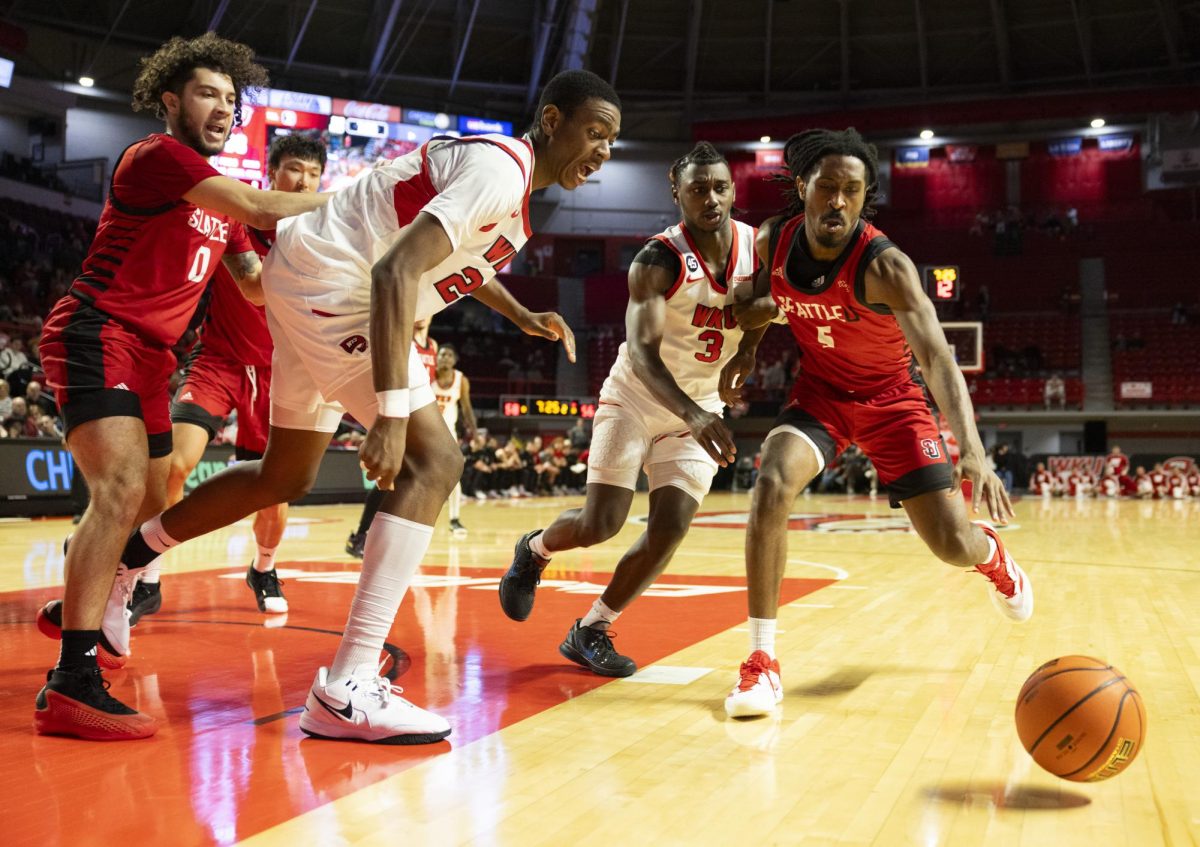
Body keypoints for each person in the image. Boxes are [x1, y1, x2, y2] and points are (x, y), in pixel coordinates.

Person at [93, 69, 621, 744]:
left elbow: (455, 258)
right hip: (339, 287)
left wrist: (520, 313)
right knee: (437, 460)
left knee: (282, 476)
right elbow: (394, 271)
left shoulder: (508, 185)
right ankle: (346, 687)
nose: (603, 150)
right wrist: (394, 417)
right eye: (594, 131)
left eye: (612, 139)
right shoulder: (502, 170)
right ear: (551, 121)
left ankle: (133, 558)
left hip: (308, 278)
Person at [31, 32, 331, 741]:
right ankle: (71, 680)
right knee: (120, 486)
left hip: (155, 357)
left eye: (232, 99)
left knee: (152, 494)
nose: (224, 108)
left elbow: (255, 289)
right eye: (208, 94)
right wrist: (353, 199)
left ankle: (87, 598)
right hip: (99, 330)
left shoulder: (221, 206)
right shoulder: (158, 158)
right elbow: (261, 207)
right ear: (171, 101)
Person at [719, 128, 1033, 718]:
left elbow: (939, 359)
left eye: (852, 191)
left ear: (865, 200)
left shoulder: (886, 266)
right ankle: (762, 663)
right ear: (804, 189)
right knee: (769, 486)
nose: (838, 201)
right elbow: (754, 301)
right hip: (822, 395)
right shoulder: (771, 240)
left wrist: (974, 450)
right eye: (827, 187)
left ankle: (989, 554)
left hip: (894, 402)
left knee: (950, 546)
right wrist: (747, 348)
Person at [498, 141, 762, 677]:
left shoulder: (758, 248)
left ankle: (590, 629)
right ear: (677, 194)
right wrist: (694, 413)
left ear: (733, 189)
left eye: (719, 187)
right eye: (697, 189)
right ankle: (535, 549)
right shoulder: (657, 259)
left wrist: (749, 353)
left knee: (670, 529)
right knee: (602, 524)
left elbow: (762, 307)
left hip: (701, 404)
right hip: (638, 399)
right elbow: (642, 356)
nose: (710, 198)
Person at [128, 135, 326, 621]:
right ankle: (148, 577)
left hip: (280, 372)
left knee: (273, 491)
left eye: (314, 174)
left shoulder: (326, 235)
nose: (303, 182)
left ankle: (263, 568)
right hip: (217, 360)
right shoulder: (233, 217)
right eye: (294, 169)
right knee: (174, 464)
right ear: (272, 172)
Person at [346, 319, 439, 557]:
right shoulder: (404, 339)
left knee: (408, 480)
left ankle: (385, 538)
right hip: (396, 414)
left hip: (418, 413)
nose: (422, 317)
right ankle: (361, 535)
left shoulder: (433, 346)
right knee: (388, 480)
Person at [432, 344, 478, 534]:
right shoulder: (427, 374)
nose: (445, 358)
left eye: (449, 355)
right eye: (442, 354)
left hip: (447, 433)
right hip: (424, 430)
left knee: (453, 475)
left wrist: (473, 430)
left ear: (455, 360)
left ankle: (454, 518)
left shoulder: (460, 380)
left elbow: (466, 407)